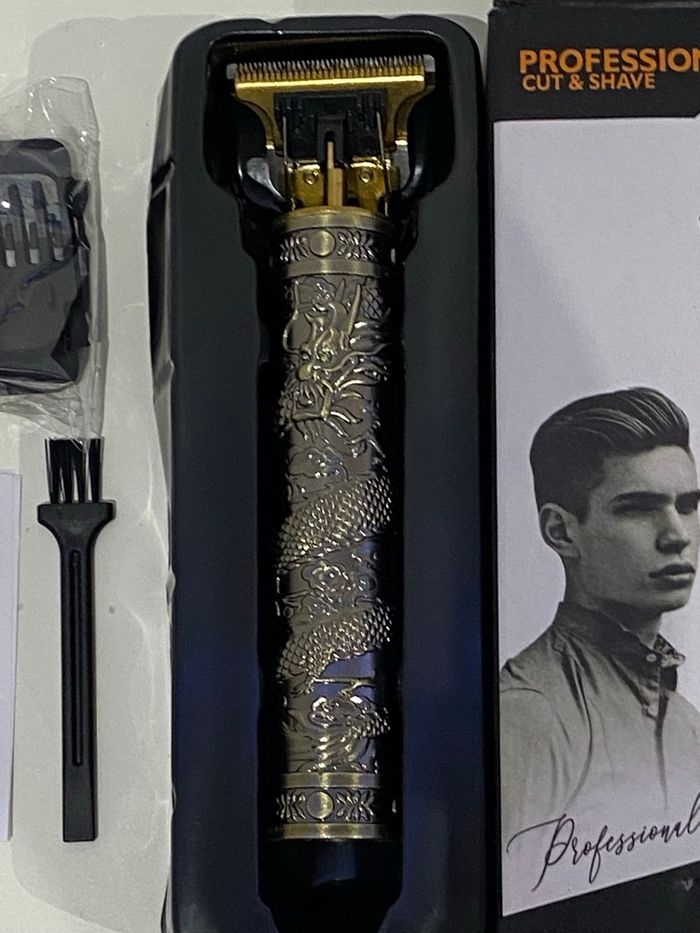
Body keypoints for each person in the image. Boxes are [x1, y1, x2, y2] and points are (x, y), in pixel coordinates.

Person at [500, 387, 700, 847]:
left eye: (688, 506)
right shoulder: (529, 714)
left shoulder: (684, 720)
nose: (677, 535)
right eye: (638, 509)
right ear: (561, 531)